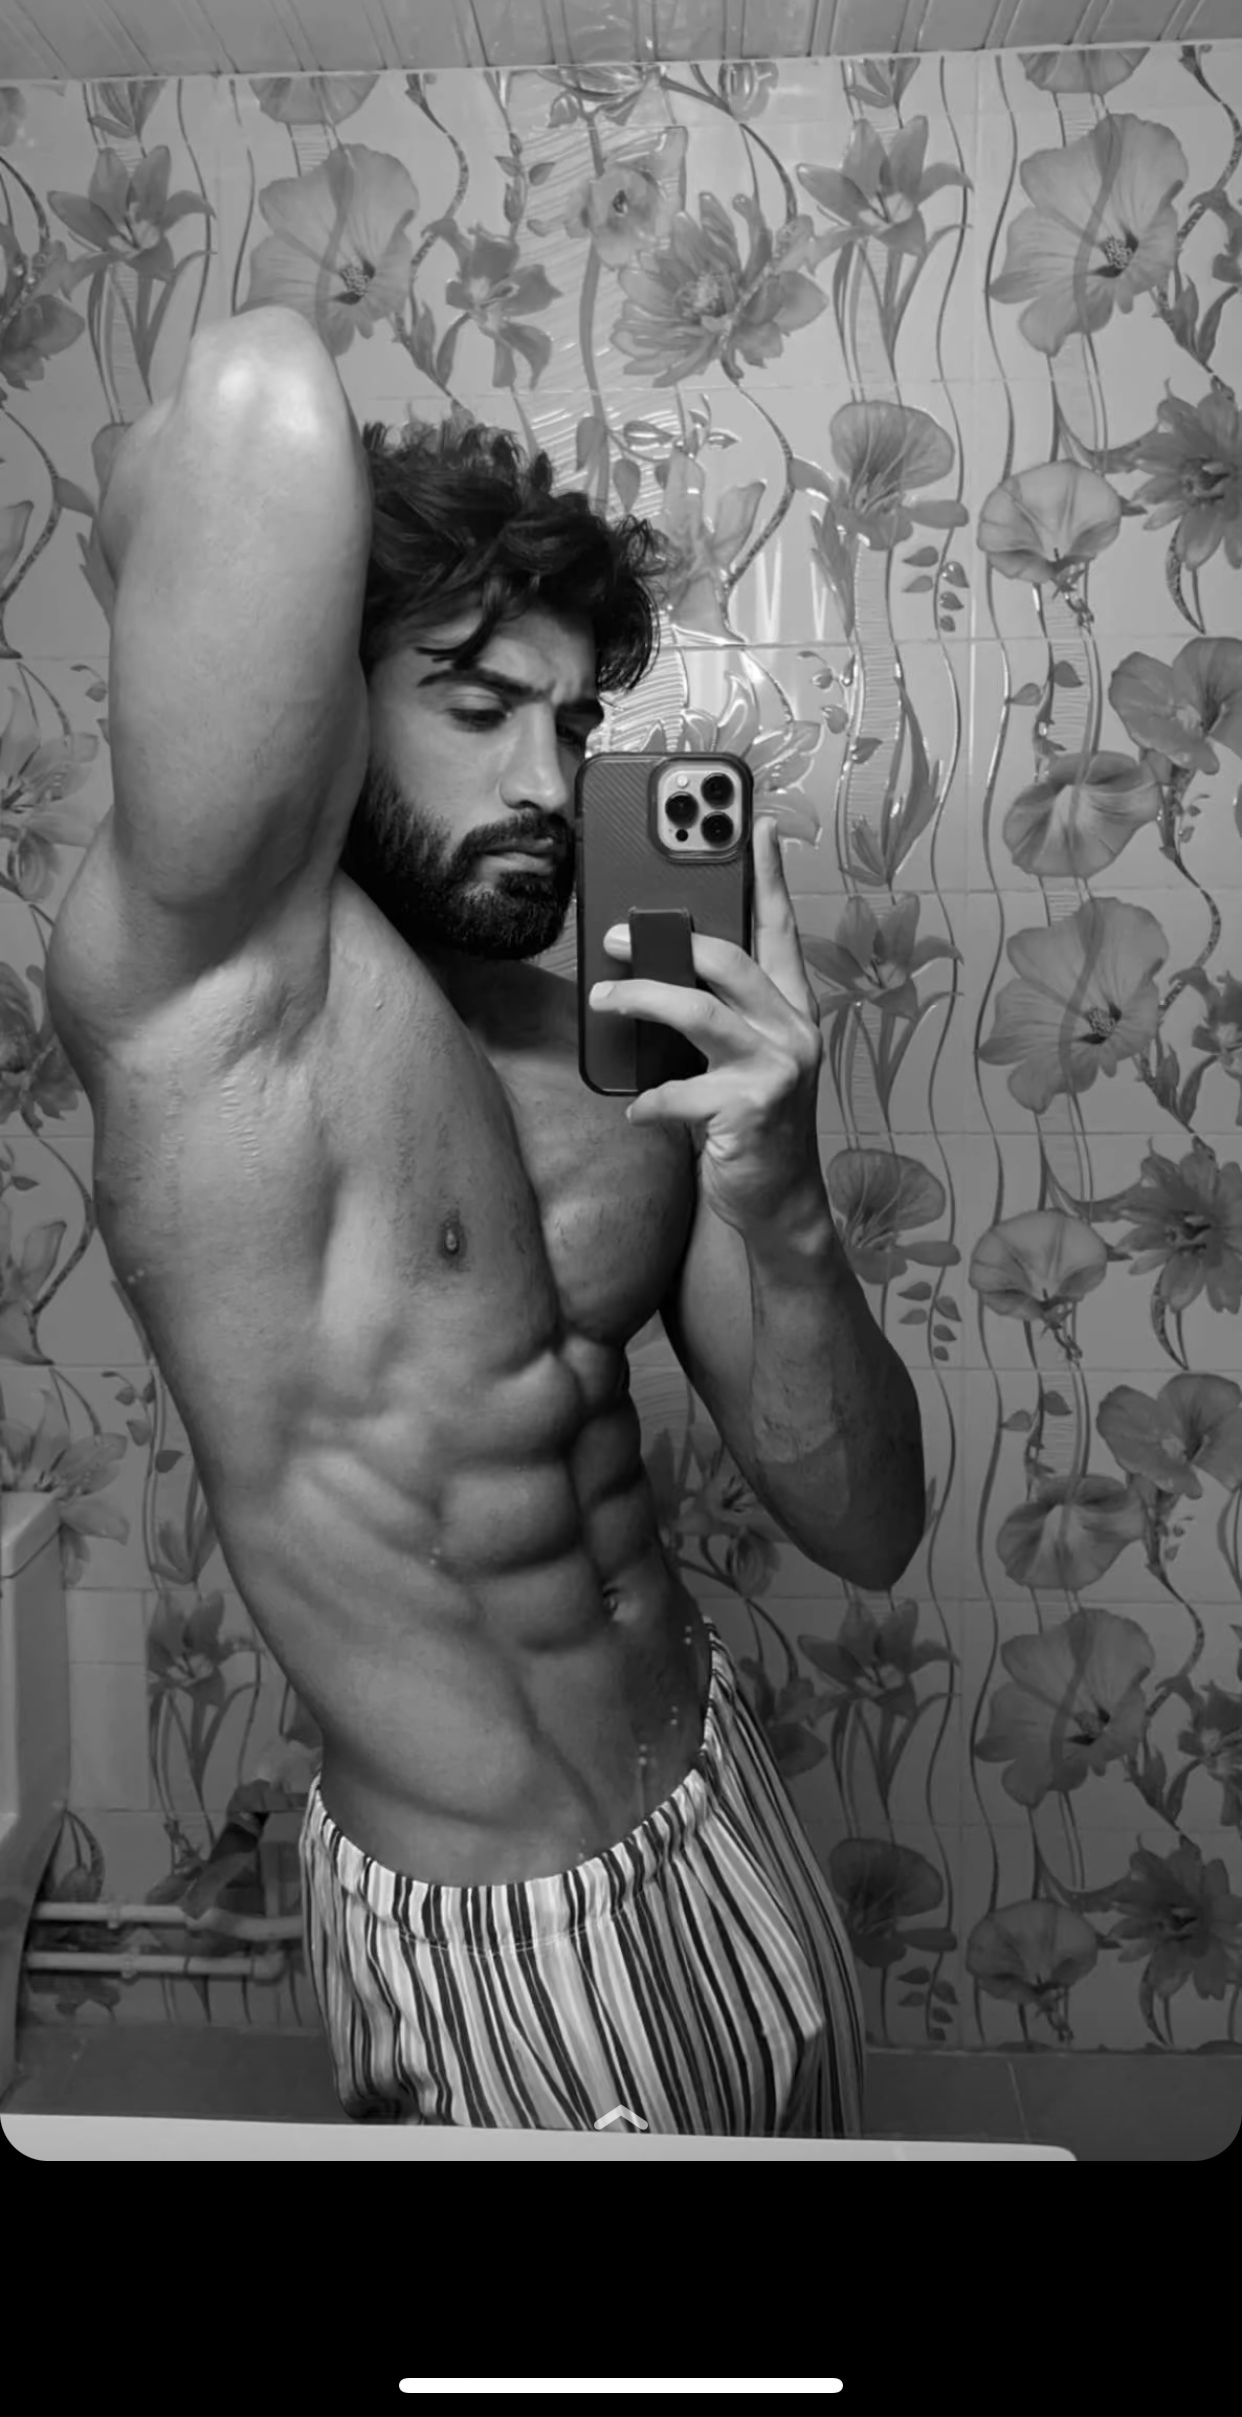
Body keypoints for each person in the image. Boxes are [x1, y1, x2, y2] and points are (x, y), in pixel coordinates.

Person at [47, 303, 925, 2136]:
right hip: (495, 1933)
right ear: (316, 702)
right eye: (472, 709)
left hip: (724, 1815)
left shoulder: (616, 1046)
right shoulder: (218, 1006)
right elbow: (255, 394)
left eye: (572, 719)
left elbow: (865, 1529)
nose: (546, 782)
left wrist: (778, 1198)